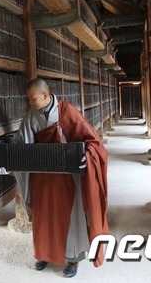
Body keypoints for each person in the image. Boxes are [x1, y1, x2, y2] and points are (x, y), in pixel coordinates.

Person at [14, 78, 109, 278]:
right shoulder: (31, 116)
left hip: (67, 178)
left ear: (45, 96)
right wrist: (11, 161)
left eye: (32, 99)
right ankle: (44, 254)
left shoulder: (68, 112)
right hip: (43, 178)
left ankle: (72, 258)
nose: (30, 103)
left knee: (70, 219)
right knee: (43, 218)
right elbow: (21, 145)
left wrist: (87, 157)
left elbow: (92, 140)